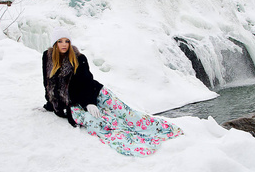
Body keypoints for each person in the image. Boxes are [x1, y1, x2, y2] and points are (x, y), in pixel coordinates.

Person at [42, 27, 183, 157]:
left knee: (127, 114)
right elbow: (47, 83)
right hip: (74, 104)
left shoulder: (79, 58)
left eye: (67, 41)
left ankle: (163, 129)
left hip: (93, 92)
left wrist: (90, 102)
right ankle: (136, 143)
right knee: (104, 123)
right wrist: (51, 103)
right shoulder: (47, 58)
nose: (64, 44)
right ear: (55, 43)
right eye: (60, 41)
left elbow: (87, 82)